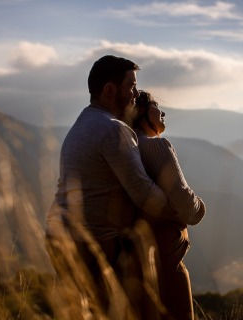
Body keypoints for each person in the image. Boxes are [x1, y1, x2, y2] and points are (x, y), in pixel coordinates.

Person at [45, 55, 170, 319]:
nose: (136, 94)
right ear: (110, 90)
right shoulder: (112, 130)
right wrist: (181, 208)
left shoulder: (82, 125)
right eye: (131, 86)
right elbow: (146, 197)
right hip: (94, 244)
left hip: (61, 239)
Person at [133, 90, 206, 320]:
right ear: (141, 111)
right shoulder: (157, 147)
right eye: (155, 105)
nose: (162, 111)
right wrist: (200, 206)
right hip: (165, 257)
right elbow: (187, 207)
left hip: (133, 260)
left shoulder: (125, 148)